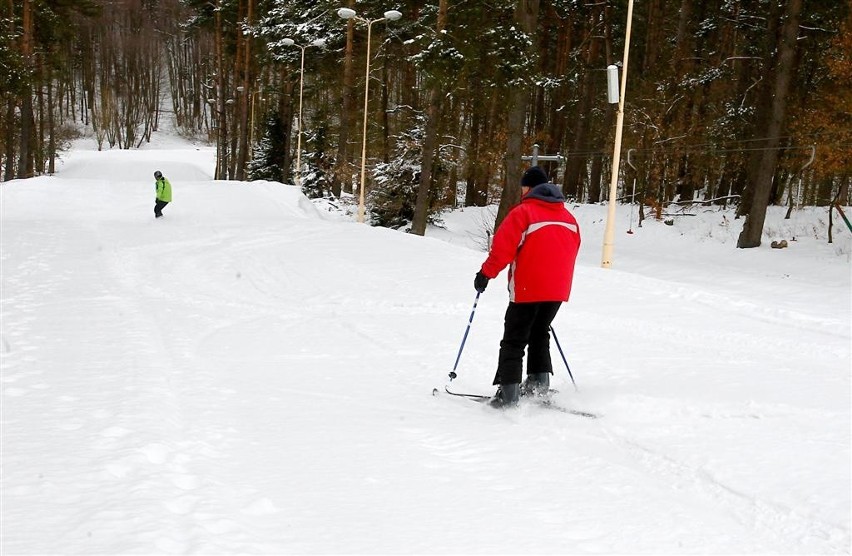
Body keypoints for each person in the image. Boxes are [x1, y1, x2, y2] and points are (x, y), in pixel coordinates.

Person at [473, 165, 581, 408]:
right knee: (539, 331)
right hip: (557, 290)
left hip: (528, 288)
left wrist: (485, 274)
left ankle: (508, 394)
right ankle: (538, 384)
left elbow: (502, 250)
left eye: (523, 186)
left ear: (530, 188)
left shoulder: (524, 213)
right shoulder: (568, 217)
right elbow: (573, 249)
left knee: (514, 338)